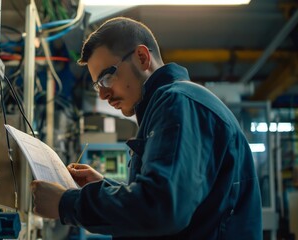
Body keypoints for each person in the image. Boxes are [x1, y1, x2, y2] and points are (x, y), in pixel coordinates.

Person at [30, 17, 262, 239]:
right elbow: (175, 201)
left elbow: (163, 208)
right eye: (97, 85)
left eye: (106, 79)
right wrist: (105, 187)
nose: (102, 95)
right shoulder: (171, 105)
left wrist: (67, 203)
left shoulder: (177, 102)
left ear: (142, 57)